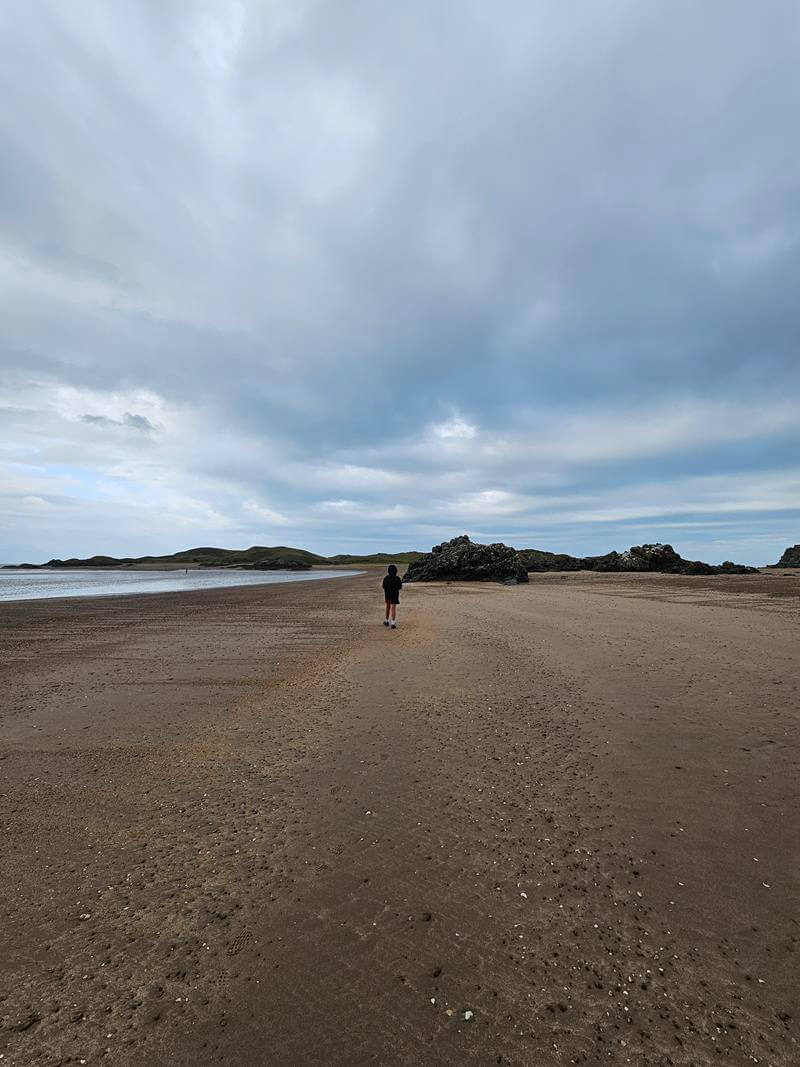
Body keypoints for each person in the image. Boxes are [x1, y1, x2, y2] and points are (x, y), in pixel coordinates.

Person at [382, 564, 402, 629]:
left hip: (387, 594)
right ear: (395, 571)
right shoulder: (397, 578)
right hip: (395, 594)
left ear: (388, 571)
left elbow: (383, 586)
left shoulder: (386, 578)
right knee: (393, 608)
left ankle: (386, 621)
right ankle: (393, 623)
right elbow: (400, 587)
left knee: (388, 607)